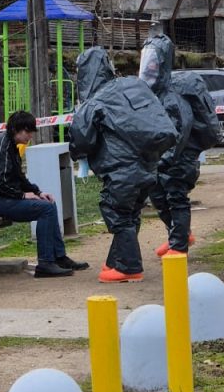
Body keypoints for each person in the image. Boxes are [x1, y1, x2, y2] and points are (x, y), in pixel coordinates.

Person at [69, 47, 177, 282]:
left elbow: (81, 139)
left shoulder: (96, 101)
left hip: (121, 169)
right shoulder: (132, 85)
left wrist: (76, 153)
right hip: (149, 165)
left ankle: (129, 267)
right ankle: (114, 262)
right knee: (130, 213)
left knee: (116, 212)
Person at [0, 110, 89, 278]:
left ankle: (59, 257)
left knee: (49, 203)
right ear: (16, 129)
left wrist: (37, 192)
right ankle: (45, 263)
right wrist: (22, 195)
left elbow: (19, 177)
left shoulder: (10, 145)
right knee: (45, 209)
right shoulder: (1, 144)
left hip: (2, 198)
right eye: (28, 131)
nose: (30, 136)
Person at [139, 35, 220, 256]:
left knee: (176, 197)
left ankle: (179, 245)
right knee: (158, 196)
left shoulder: (173, 97)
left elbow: (180, 133)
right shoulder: (157, 94)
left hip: (181, 157)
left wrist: (165, 159)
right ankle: (178, 234)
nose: (149, 69)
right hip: (164, 159)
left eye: (154, 63)